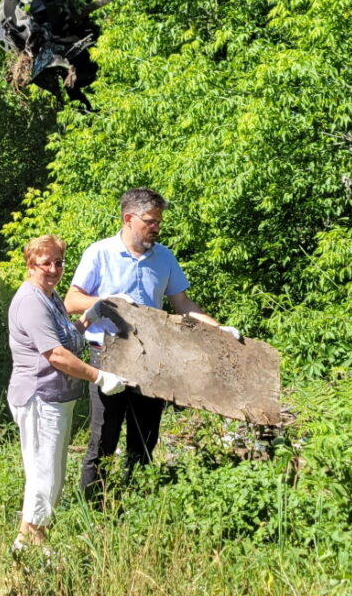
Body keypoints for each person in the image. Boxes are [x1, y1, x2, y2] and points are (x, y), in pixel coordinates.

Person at [63, 188, 239, 499]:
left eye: (158, 221)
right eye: (150, 221)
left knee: (144, 439)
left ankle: (134, 503)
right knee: (104, 438)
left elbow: (182, 303)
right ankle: (91, 508)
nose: (156, 227)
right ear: (128, 219)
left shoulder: (164, 257)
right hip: (107, 357)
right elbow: (72, 301)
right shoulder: (100, 253)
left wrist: (219, 331)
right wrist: (107, 300)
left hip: (152, 357)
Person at [6, 234, 128, 548]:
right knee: (44, 474)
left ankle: (26, 540)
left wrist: (87, 318)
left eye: (58, 262)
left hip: (56, 398)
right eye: (45, 263)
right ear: (31, 265)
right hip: (39, 397)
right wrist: (100, 377)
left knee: (48, 472)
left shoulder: (50, 295)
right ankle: (34, 541)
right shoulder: (31, 301)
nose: (53, 269)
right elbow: (56, 355)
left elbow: (64, 338)